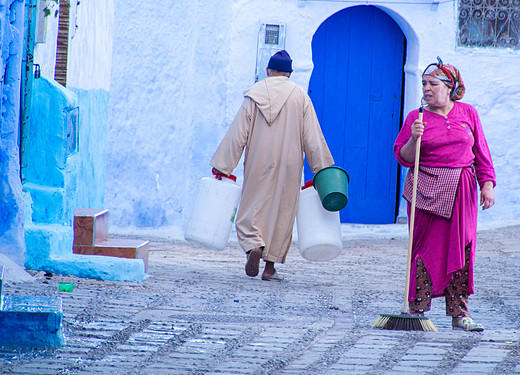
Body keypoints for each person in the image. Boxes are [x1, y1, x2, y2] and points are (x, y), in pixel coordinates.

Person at [210, 50, 334, 281]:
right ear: (289, 74)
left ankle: (253, 245)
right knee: (282, 212)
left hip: (259, 160)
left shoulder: (254, 95)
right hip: (290, 164)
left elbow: (238, 134)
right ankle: (269, 268)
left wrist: (223, 165)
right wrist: (321, 170)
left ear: (268, 71)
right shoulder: (300, 97)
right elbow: (312, 138)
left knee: (252, 206)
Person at [393, 57, 496, 331]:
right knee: (424, 248)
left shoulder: (468, 114)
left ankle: (459, 313)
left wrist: (487, 183)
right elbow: (403, 157)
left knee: (461, 247)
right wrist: (415, 138)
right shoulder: (416, 117)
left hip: (462, 188)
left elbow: (481, 153)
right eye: (424, 83)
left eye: (433, 83)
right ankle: (417, 309)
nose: (426, 88)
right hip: (426, 189)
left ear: (450, 87)